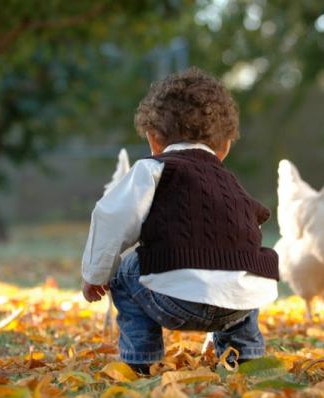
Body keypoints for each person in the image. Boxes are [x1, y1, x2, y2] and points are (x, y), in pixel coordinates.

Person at [80, 67, 279, 374]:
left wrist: (96, 274)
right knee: (248, 263)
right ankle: (245, 353)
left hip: (174, 300)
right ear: (225, 145)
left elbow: (112, 218)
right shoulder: (231, 183)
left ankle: (140, 360)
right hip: (236, 307)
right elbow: (252, 228)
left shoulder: (154, 169)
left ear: (153, 139)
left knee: (123, 269)